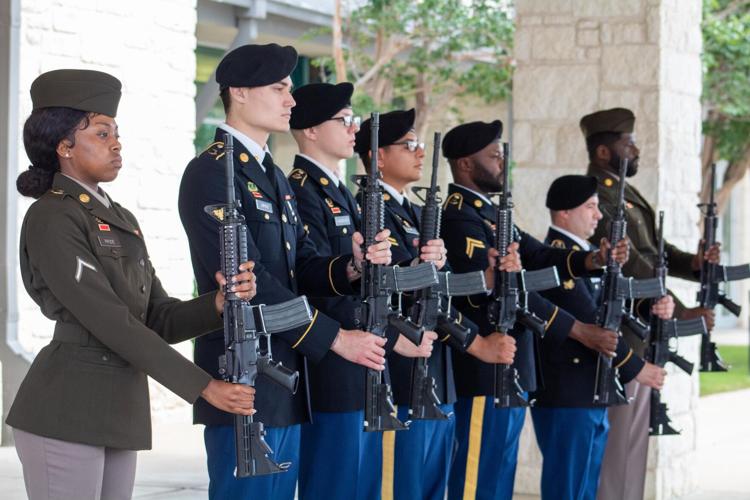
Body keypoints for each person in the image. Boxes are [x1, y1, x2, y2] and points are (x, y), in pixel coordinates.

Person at [7, 69, 257, 500]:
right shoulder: (53, 216)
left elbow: (155, 317)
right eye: (102, 134)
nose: (116, 143)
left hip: (118, 408)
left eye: (116, 133)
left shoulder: (119, 218)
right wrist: (203, 387)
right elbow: (110, 321)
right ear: (64, 147)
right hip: (67, 406)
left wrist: (216, 303)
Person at [178, 45, 393, 500]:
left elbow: (302, 268)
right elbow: (250, 284)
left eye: (290, 90)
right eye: (279, 88)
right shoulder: (212, 172)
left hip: (285, 377)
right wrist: (335, 339)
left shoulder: (269, 174)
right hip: (244, 374)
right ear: (238, 92)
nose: (290, 101)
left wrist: (353, 265)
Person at [439, 120, 629, 500]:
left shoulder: (490, 214)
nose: (501, 164)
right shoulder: (460, 218)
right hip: (483, 369)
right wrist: (574, 328)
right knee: (478, 478)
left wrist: (592, 259)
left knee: (499, 477)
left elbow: (539, 256)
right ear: (465, 164)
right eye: (493, 156)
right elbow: (490, 289)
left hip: (510, 367)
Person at [353, 110, 518, 500]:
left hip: (434, 370)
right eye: (408, 145)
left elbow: (439, 292)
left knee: (431, 487)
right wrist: (474, 342)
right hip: (399, 371)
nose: (420, 151)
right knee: (401, 486)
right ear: (377, 156)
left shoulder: (415, 212)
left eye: (420, 143)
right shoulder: (370, 210)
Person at [287, 83, 435, 500]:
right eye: (344, 120)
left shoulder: (345, 194)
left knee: (364, 484)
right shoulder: (301, 188)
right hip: (335, 360)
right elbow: (309, 280)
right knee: (338, 483)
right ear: (312, 130)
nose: (355, 128)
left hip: (367, 355)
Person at [580, 108, 720, 500]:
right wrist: (677, 306)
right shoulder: (596, 193)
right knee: (617, 447)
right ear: (605, 152)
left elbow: (655, 252)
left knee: (633, 446)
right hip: (623, 333)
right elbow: (635, 265)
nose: (636, 149)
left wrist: (693, 264)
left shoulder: (625, 191)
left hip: (642, 331)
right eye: (629, 143)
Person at [530, 174, 670, 500]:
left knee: (585, 486)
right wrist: (637, 368)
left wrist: (653, 306)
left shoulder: (591, 254)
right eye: (591, 207)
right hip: (567, 393)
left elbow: (613, 306)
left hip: (591, 390)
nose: (598, 215)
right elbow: (593, 319)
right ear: (564, 212)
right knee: (568, 487)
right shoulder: (557, 255)